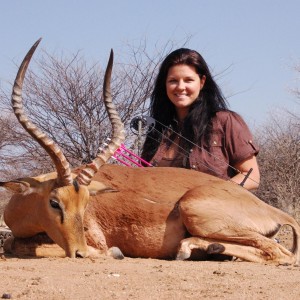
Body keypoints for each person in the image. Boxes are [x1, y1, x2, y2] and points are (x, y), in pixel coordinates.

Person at [141, 48, 260, 190]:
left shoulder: (225, 121)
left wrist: (209, 195)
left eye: (188, 80)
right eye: (173, 81)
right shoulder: (158, 129)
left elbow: (251, 177)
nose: (180, 87)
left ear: (202, 82)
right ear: (164, 84)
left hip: (215, 209)